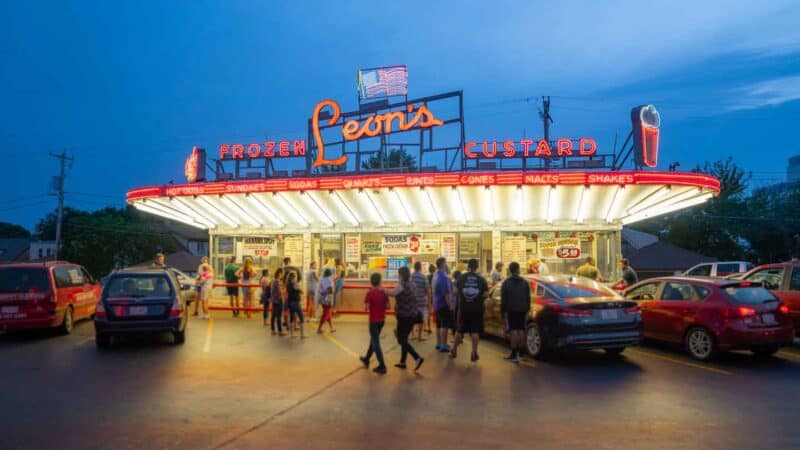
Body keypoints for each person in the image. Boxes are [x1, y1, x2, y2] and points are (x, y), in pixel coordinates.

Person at [385, 266, 424, 371]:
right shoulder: (412, 284)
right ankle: (403, 362)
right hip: (412, 315)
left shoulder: (401, 285)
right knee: (404, 338)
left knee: (401, 340)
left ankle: (417, 357)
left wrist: (381, 289)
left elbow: (392, 293)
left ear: (401, 275)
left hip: (404, 316)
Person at [451, 258, 488, 362]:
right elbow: (486, 294)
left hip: (464, 308)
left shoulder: (462, 278)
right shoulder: (481, 279)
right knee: (475, 331)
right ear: (477, 267)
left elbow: (455, 291)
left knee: (460, 330)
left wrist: (462, 296)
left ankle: (454, 350)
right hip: (477, 309)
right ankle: (474, 352)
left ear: (468, 267)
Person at [360, 272, 389, 374]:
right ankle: (366, 359)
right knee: (373, 340)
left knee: (375, 342)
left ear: (371, 282)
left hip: (373, 321)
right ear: (380, 281)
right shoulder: (384, 292)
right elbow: (388, 306)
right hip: (382, 320)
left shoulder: (370, 293)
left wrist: (369, 305)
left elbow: (366, 308)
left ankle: (382, 365)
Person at [501, 262, 531, 363]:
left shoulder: (506, 283)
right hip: (522, 309)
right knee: (521, 329)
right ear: (518, 269)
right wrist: (527, 308)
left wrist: (503, 312)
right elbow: (528, 297)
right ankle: (521, 352)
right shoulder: (525, 282)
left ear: (509, 270)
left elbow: (503, 300)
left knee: (513, 330)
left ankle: (514, 354)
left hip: (511, 309)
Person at [433, 257, 454, 353]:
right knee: (444, 325)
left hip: (436, 303)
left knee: (438, 324)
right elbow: (446, 293)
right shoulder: (443, 278)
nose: (447, 265)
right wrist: (450, 305)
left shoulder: (435, 275)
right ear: (442, 264)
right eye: (446, 263)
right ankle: (444, 345)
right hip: (443, 304)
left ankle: (438, 343)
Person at [411, 261, 431, 341]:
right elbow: (427, 289)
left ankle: (412, 334)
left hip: (412, 301)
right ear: (420, 267)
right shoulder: (423, 277)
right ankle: (419, 336)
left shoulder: (411, 276)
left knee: (412, 318)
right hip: (421, 301)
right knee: (421, 319)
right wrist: (428, 300)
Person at [285, 271, 305, 338]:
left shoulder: (287, 284)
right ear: (294, 277)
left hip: (290, 302)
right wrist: (300, 288)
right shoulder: (294, 283)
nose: (296, 277)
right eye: (296, 276)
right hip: (295, 302)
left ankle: (292, 334)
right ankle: (302, 335)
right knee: (301, 317)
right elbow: (301, 291)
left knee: (291, 318)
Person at [317, 268, 335, 334]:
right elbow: (331, 290)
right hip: (328, 299)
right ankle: (319, 328)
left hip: (322, 298)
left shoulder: (321, 279)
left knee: (328, 313)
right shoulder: (330, 280)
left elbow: (319, 289)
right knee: (326, 314)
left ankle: (331, 328)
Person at [270, 268, 286, 336]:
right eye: (282, 273)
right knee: (279, 316)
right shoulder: (277, 281)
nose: (283, 275)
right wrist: (284, 290)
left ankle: (273, 330)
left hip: (274, 300)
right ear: (280, 273)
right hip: (278, 300)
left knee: (273, 315)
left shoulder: (273, 280)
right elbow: (280, 291)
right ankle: (280, 331)